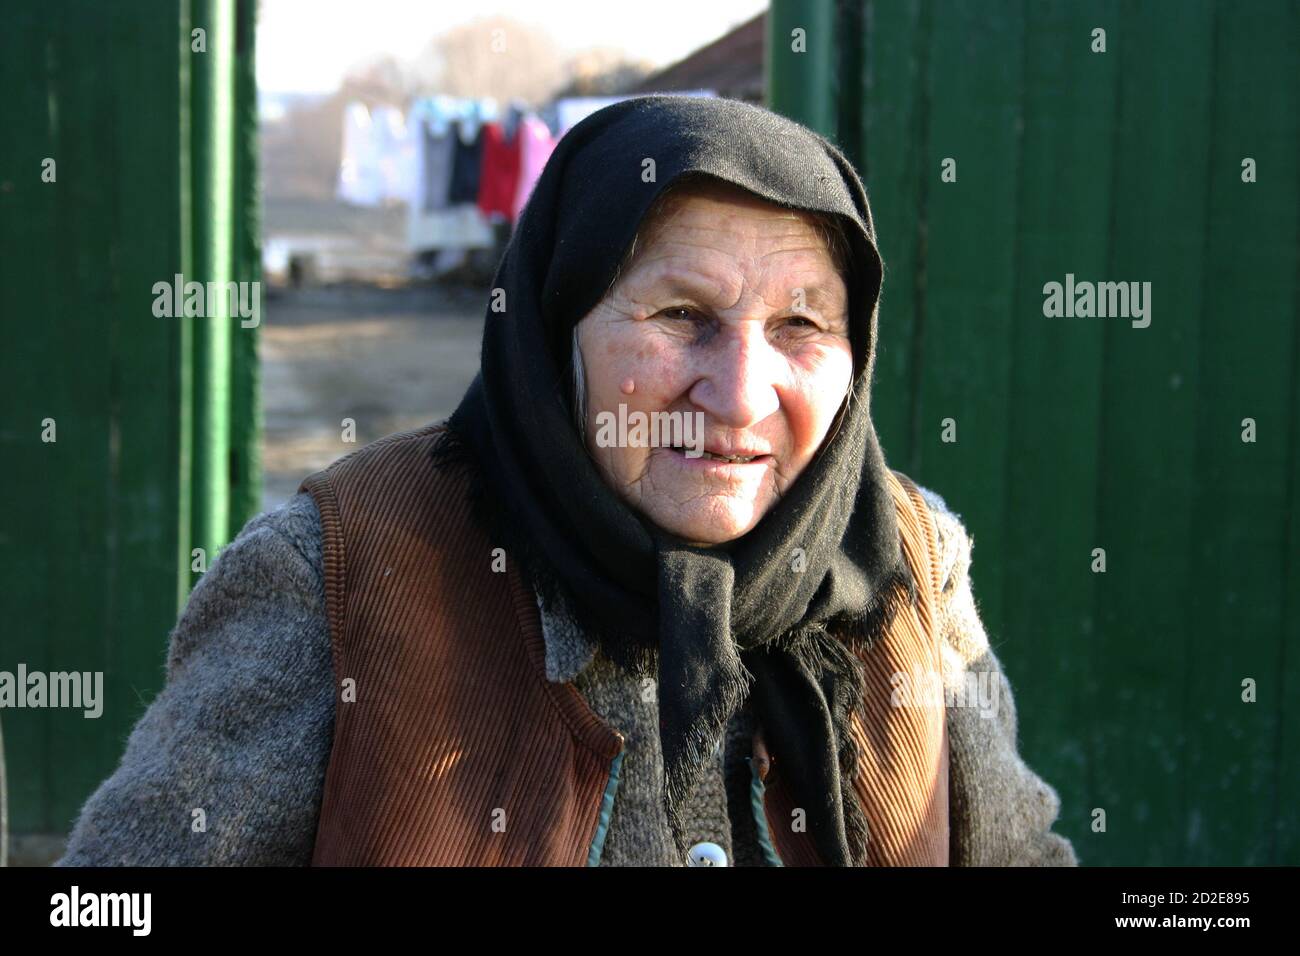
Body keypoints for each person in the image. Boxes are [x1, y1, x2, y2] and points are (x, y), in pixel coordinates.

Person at [58, 95, 1076, 867]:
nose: (737, 393)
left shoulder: (905, 558)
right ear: (556, 326)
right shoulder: (341, 571)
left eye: (801, 326)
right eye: (680, 314)